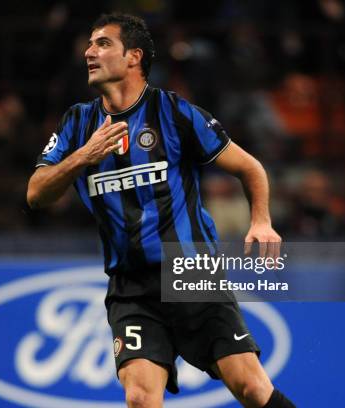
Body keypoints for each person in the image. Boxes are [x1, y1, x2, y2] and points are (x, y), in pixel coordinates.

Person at [27, 13, 295, 408]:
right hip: (130, 285)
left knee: (252, 389)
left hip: (190, 271)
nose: (89, 52)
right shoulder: (77, 123)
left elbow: (249, 167)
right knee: (139, 398)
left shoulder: (174, 112)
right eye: (89, 43)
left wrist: (261, 221)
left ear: (133, 57)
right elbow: (36, 194)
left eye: (102, 44)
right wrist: (83, 156)